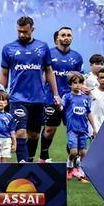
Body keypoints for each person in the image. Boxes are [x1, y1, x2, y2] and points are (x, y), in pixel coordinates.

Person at [0, 16, 60, 163]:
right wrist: (0, 93)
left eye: (25, 32)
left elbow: (49, 71)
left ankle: (30, 161)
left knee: (33, 134)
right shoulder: (9, 48)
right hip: (17, 98)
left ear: (32, 29)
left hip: (38, 98)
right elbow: (4, 72)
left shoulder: (42, 47)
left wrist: (56, 94)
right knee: (20, 132)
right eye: (19, 31)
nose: (21, 35)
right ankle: (23, 164)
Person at [40, 27, 84, 163]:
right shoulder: (48, 54)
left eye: (69, 35)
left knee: (74, 130)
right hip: (51, 98)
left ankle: (72, 162)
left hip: (72, 100)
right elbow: (42, 75)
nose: (66, 37)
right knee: (49, 130)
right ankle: (43, 158)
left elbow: (79, 78)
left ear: (72, 38)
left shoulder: (77, 57)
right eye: (63, 35)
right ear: (57, 38)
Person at [63, 72, 97, 182]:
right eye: (75, 83)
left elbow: (89, 113)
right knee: (73, 152)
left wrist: (94, 127)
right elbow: (61, 107)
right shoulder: (67, 97)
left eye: (80, 82)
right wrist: (58, 105)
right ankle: (69, 168)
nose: (78, 85)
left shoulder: (85, 98)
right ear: (70, 84)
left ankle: (83, 174)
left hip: (83, 129)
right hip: (72, 129)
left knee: (83, 153)